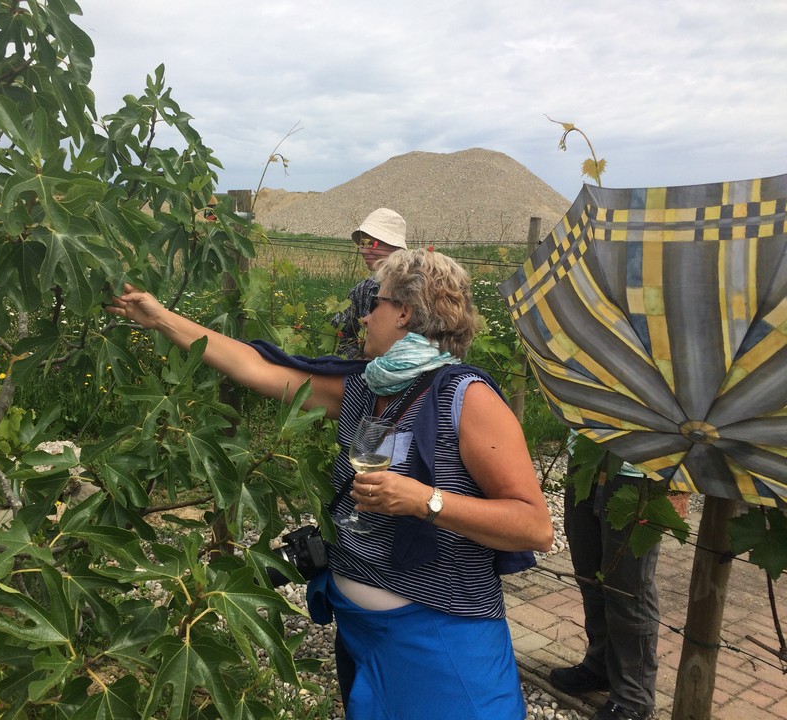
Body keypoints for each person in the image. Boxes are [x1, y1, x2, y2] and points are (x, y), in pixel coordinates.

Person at [107, 248, 554, 719]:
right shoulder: (368, 387)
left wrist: (427, 501)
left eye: (375, 305)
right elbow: (256, 368)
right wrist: (160, 319)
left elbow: (535, 527)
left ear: (404, 312)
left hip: (438, 637)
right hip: (359, 628)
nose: (364, 318)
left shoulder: (466, 398)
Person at [549, 442, 660, 720]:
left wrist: (678, 488)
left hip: (639, 469)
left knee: (628, 587)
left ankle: (633, 695)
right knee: (588, 573)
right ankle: (600, 665)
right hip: (584, 455)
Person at [331, 208, 407, 358]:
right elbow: (341, 334)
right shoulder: (363, 290)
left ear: (395, 247)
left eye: (372, 244)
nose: (364, 252)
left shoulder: (419, 291)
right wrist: (360, 362)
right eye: (362, 245)